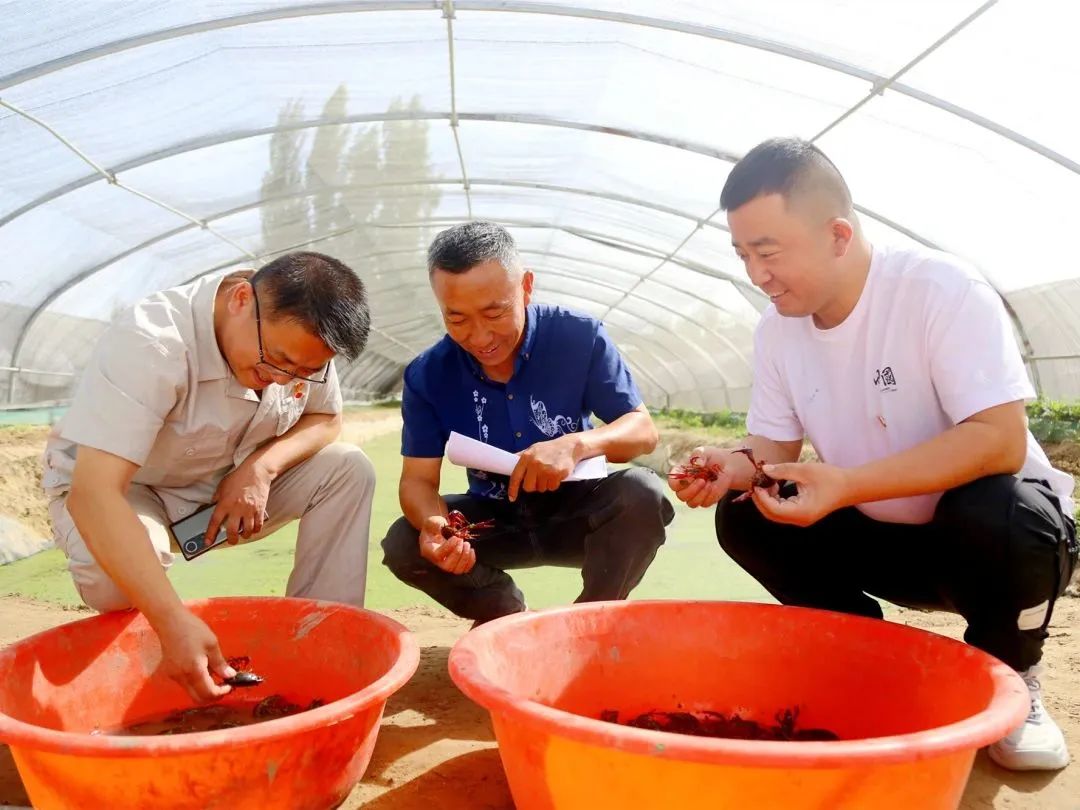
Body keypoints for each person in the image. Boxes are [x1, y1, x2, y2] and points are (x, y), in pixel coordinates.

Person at [670, 138, 1077, 771]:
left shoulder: (939, 289)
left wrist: (849, 485)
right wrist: (734, 466)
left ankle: (1012, 678)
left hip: (978, 546)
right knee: (746, 513)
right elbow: (771, 452)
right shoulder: (778, 329)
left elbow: (998, 438)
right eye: (743, 254)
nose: (756, 274)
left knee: (1008, 512)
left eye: (769, 252)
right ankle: (863, 654)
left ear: (837, 234)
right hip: (876, 540)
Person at [42, 251, 376, 703]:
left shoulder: (300, 346)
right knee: (114, 584)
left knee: (348, 469)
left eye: (301, 372)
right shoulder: (152, 341)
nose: (281, 380)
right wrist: (171, 619)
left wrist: (260, 468)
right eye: (276, 361)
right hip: (131, 490)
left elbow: (325, 419)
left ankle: (321, 640)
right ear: (242, 299)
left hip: (221, 491)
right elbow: (95, 493)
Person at [381, 221, 674, 624]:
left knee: (642, 493)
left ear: (526, 286)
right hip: (492, 519)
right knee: (404, 542)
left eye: (494, 312)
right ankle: (501, 612)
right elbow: (417, 480)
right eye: (457, 318)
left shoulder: (579, 337)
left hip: (577, 512)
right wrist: (436, 526)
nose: (480, 336)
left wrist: (575, 445)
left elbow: (642, 432)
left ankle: (588, 620)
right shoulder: (428, 374)